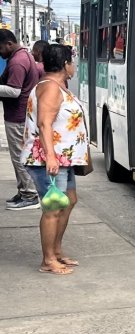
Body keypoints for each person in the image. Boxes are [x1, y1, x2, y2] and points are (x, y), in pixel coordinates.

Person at [21, 44, 88, 275]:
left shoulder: (58, 86)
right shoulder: (50, 88)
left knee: (68, 200)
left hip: (64, 159)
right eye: (72, 62)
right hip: (50, 160)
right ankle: (48, 260)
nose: (74, 66)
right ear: (64, 64)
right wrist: (50, 156)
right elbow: (44, 124)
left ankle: (56, 251)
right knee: (53, 208)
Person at [0, 29, 41, 210]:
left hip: (17, 117)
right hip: (20, 115)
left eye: (0, 48)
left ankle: (30, 195)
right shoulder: (22, 56)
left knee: (19, 157)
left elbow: (14, 91)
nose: (0, 53)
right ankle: (24, 190)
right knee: (19, 156)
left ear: (9, 43)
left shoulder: (17, 61)